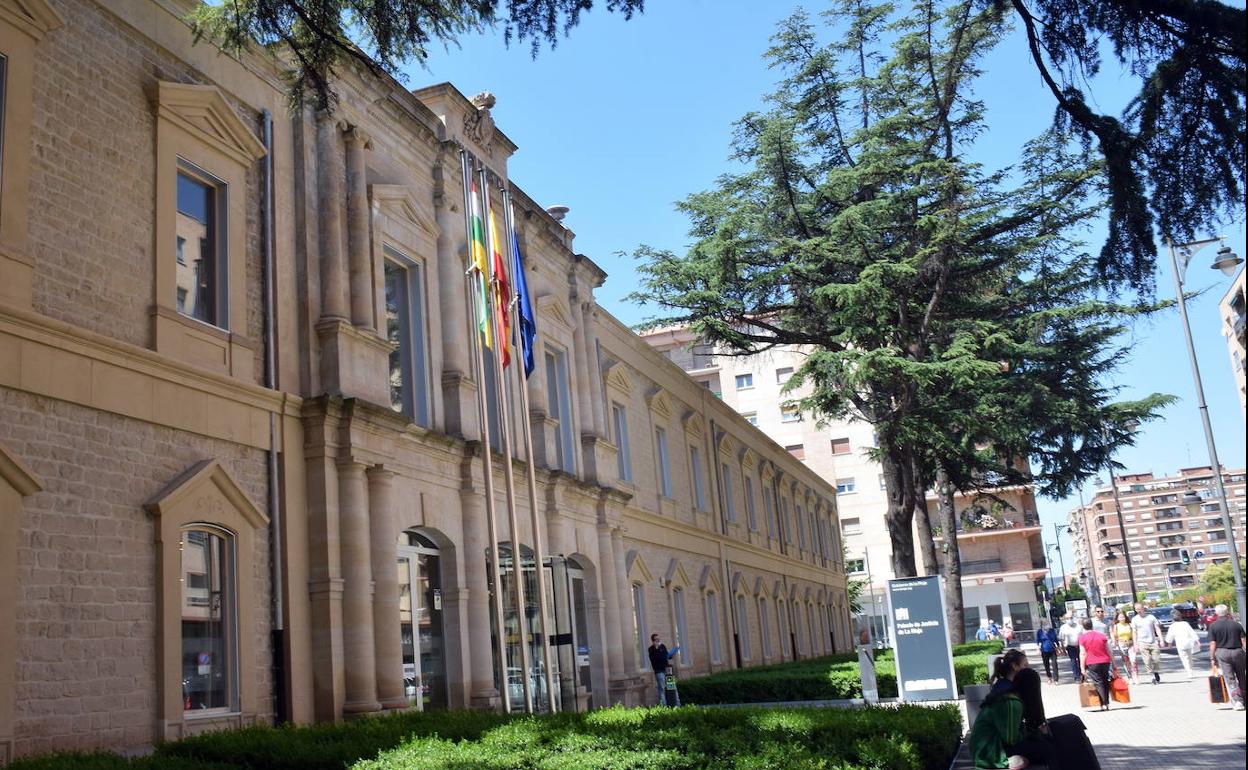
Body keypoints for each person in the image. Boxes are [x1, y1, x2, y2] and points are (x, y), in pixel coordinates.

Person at [969, 649, 1054, 769]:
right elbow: (1011, 738)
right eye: (1025, 666)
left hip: (995, 745)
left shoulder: (1010, 696)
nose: (1027, 669)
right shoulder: (1011, 702)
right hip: (990, 752)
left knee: (1049, 740)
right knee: (1048, 748)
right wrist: (1034, 732)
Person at [1207, 604, 1246, 711]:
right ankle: (1245, 698)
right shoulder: (1236, 624)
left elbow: (1213, 643)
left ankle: (1238, 701)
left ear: (1216, 613)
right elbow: (1243, 641)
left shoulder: (1213, 626)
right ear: (1227, 612)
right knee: (1242, 676)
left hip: (1222, 653)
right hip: (1238, 652)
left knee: (1230, 678)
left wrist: (1212, 658)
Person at [1079, 617, 1116, 711]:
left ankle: (1104, 703)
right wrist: (1114, 663)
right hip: (1105, 661)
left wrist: (1082, 667)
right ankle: (1106, 703)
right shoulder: (1101, 635)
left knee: (1098, 682)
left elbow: (1083, 653)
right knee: (1105, 681)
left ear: (1083, 626)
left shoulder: (1082, 638)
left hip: (1092, 662)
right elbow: (1108, 650)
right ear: (1092, 625)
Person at [1130, 602, 1164, 684]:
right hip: (1142, 642)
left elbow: (1157, 628)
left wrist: (1161, 639)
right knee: (1147, 660)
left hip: (1153, 641)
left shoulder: (1151, 617)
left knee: (1156, 659)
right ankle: (1151, 675)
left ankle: (1156, 672)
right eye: (1136, 609)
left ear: (1143, 608)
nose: (1138, 611)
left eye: (1139, 609)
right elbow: (1134, 632)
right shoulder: (1134, 619)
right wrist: (1135, 644)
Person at [1164, 607, 1200, 680]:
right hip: (1189, 643)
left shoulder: (1172, 626)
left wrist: (1169, 644)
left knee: (1184, 658)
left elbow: (1170, 636)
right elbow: (1191, 632)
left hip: (1180, 644)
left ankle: (1189, 672)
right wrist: (1197, 641)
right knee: (1189, 658)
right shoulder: (1185, 623)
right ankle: (1191, 669)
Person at [647, 633, 681, 706]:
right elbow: (654, 659)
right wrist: (657, 648)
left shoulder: (663, 646)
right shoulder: (651, 649)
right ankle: (664, 706)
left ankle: (677, 704)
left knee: (672, 686)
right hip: (659, 671)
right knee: (662, 689)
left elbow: (666, 656)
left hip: (667, 670)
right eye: (656, 639)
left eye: (659, 639)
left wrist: (671, 655)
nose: (658, 640)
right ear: (653, 641)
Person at [1111, 609, 1138, 684]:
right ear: (1118, 618)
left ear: (1125, 617)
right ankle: (1129, 677)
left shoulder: (1129, 624)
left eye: (1123, 617)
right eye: (1120, 617)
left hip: (1130, 643)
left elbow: (1133, 634)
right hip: (1121, 645)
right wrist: (1115, 643)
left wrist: (1135, 643)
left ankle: (1135, 676)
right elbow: (1115, 636)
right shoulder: (1116, 626)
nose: (1122, 618)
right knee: (1126, 662)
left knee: (1133, 660)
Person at [1059, 615, 1083, 681]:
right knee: (1073, 661)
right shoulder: (1063, 627)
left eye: (1071, 618)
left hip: (1079, 646)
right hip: (1070, 646)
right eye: (1067, 618)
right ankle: (1076, 677)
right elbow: (1061, 639)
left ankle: (1082, 675)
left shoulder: (1079, 626)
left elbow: (1083, 636)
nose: (1070, 619)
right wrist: (1063, 649)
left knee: (1081, 661)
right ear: (1065, 619)